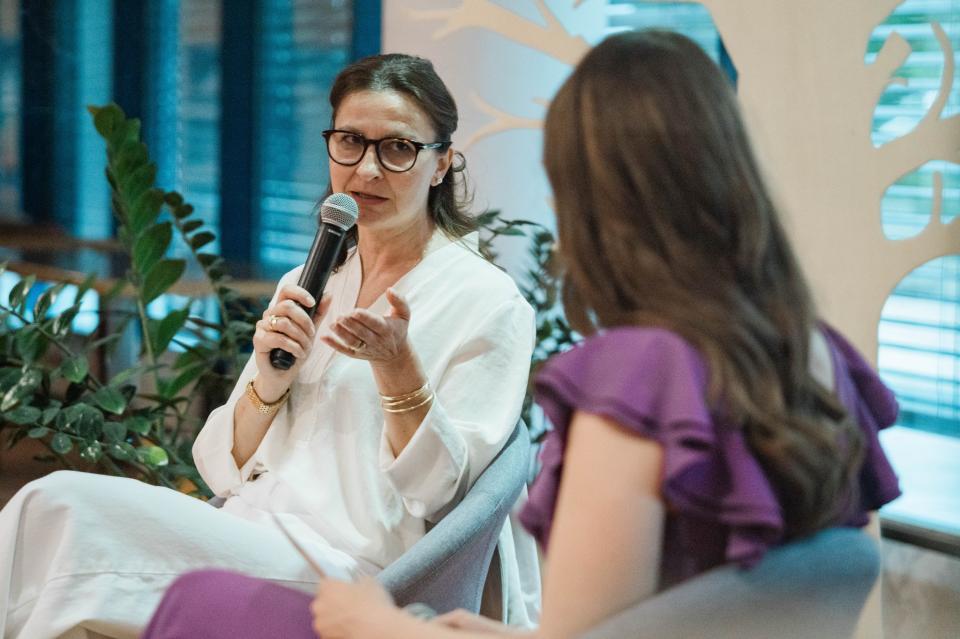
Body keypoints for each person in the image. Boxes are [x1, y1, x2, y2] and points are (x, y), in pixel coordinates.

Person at [144, 29, 902, 639]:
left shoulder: (638, 377)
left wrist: (384, 625)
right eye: (351, 142)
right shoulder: (819, 352)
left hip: (355, 574)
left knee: (199, 600)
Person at [0, 53, 541, 639]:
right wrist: (272, 380)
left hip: (349, 571)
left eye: (398, 148)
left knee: (61, 509)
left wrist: (398, 370)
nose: (367, 169)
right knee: (45, 522)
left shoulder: (488, 302)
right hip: (247, 529)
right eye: (350, 142)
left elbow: (447, 500)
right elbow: (219, 468)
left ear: (441, 164)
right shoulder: (312, 279)